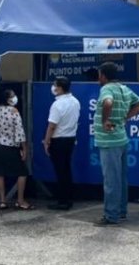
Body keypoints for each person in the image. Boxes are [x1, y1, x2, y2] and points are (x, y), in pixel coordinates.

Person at [93, 61, 139, 226]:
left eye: (99, 74)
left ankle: (111, 216)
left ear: (103, 75)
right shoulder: (124, 88)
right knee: (121, 178)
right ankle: (121, 211)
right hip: (121, 139)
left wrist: (105, 120)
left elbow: (107, 102)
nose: (98, 77)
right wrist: (125, 118)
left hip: (110, 142)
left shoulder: (106, 89)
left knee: (111, 180)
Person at [0, 88, 32, 210]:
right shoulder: (14, 111)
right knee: (22, 172)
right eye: (12, 96)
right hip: (10, 146)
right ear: (7, 99)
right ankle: (20, 200)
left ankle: (2, 201)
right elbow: (19, 132)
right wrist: (24, 148)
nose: (15, 97)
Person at [43, 76, 80, 211]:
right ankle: (68, 198)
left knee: (60, 171)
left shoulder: (57, 104)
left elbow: (51, 126)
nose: (53, 87)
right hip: (70, 139)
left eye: (55, 85)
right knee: (66, 169)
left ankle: (62, 201)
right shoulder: (75, 101)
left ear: (59, 88)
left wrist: (46, 141)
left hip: (58, 140)